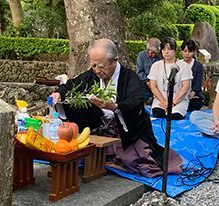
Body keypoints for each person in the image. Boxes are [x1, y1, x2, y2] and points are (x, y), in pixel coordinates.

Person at [51, 38, 182, 177]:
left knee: (139, 161)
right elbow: (72, 85)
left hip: (126, 131)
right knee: (81, 151)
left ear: (114, 60)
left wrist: (115, 107)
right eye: (94, 65)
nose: (96, 70)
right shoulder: (92, 75)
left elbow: (136, 102)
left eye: (101, 66)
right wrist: (59, 93)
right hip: (99, 127)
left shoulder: (129, 77)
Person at [148, 37, 193, 119]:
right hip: (160, 100)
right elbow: (153, 86)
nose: (166, 52)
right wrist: (164, 102)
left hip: (178, 101)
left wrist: (173, 103)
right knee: (157, 113)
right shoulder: (156, 66)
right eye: (164, 49)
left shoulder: (184, 66)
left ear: (175, 50)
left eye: (169, 49)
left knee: (173, 116)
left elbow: (186, 87)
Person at [179, 39, 205, 111]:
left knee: (194, 104)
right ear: (182, 51)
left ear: (193, 52)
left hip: (193, 95)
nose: (187, 54)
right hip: (179, 95)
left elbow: (198, 84)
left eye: (190, 51)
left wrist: (192, 93)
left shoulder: (198, 66)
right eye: (185, 51)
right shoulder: (177, 64)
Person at [136, 37, 162, 104]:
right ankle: (148, 99)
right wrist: (148, 82)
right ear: (148, 49)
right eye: (151, 52)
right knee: (139, 84)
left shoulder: (161, 56)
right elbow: (139, 71)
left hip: (159, 81)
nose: (153, 54)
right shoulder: (141, 56)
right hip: (146, 82)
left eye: (155, 53)